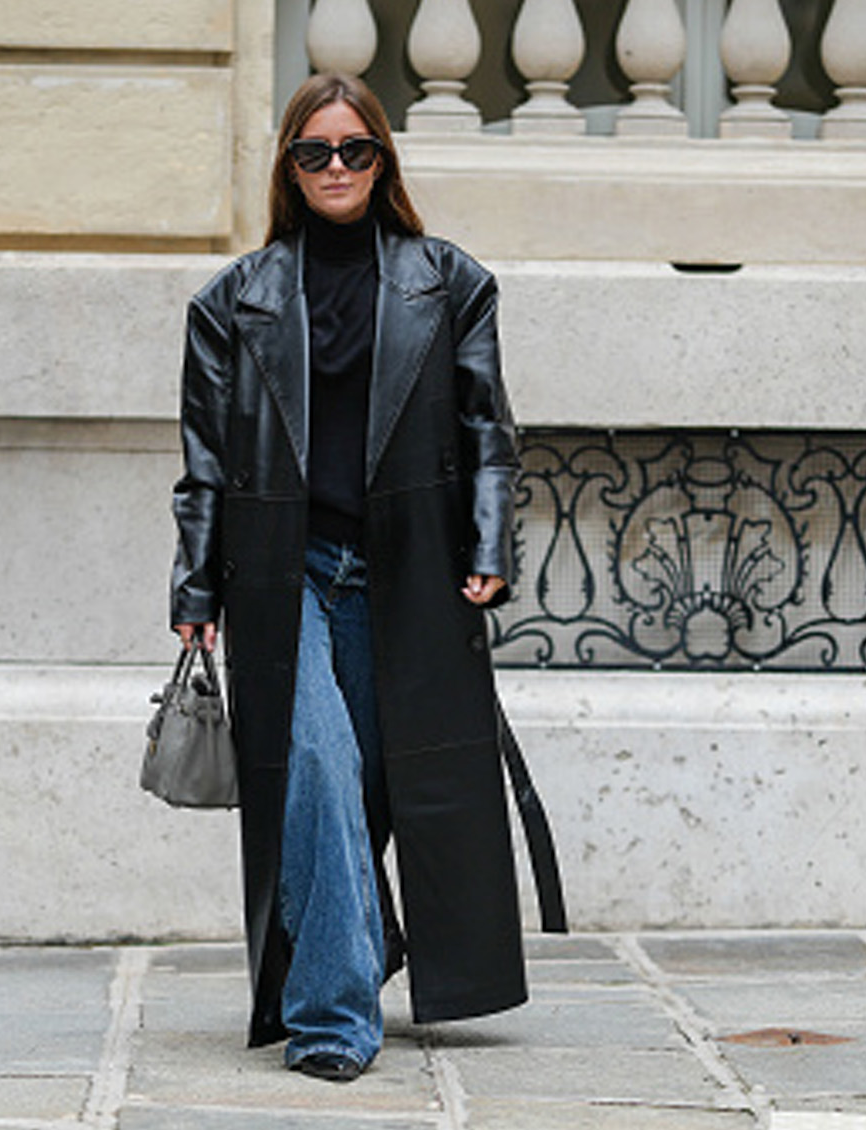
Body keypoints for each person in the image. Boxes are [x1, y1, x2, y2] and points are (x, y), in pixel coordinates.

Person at [169, 73, 533, 1083]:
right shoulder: (229, 301)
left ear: (383, 162)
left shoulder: (448, 283)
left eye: (354, 150)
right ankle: (333, 1014)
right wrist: (194, 595)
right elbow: (201, 462)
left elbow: (489, 434)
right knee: (316, 770)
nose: (335, 168)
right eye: (314, 152)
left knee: (380, 787)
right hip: (279, 572)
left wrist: (491, 544)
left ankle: (358, 941)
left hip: (404, 571)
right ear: (287, 167)